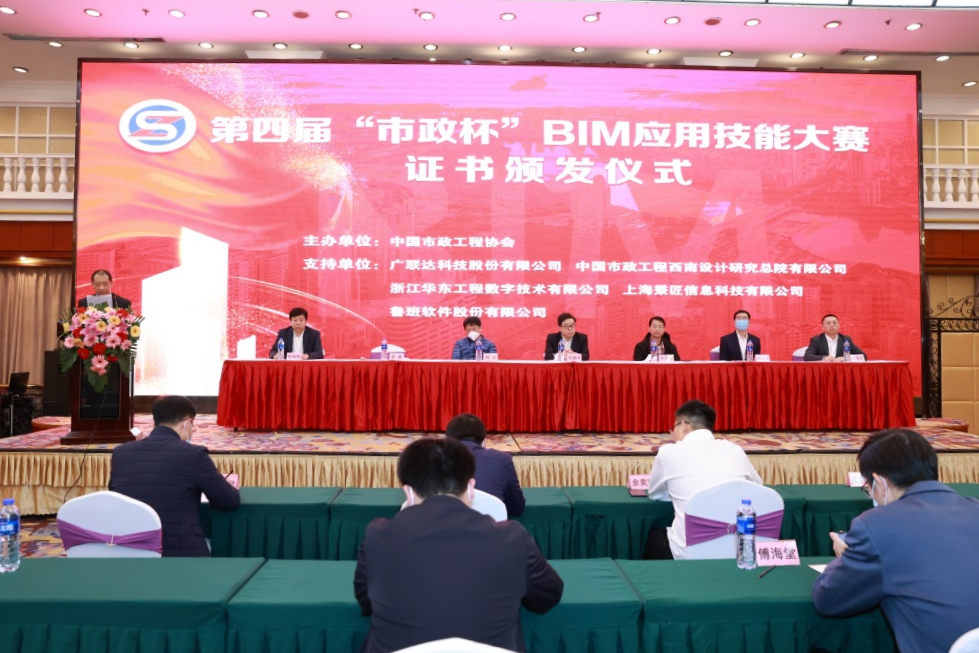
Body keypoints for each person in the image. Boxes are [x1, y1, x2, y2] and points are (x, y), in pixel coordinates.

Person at [354, 437, 563, 653]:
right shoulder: (512, 538)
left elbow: (366, 603)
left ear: (408, 492)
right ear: (471, 488)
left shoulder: (377, 537)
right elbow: (548, 596)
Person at [812, 429, 979, 653]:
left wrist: (843, 559)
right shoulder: (975, 507)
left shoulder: (877, 525)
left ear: (879, 482)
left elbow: (829, 600)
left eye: (868, 487)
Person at [108, 395, 240, 557]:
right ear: (187, 423)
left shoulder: (121, 453)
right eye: (193, 425)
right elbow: (229, 501)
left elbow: (115, 492)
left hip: (130, 550)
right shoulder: (194, 455)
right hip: (180, 553)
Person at [644, 399, 762, 560]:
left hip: (687, 553)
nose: (672, 433)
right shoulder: (735, 450)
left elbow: (654, 493)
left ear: (683, 426)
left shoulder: (668, 453)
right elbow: (758, 488)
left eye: (673, 428)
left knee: (653, 538)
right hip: (738, 551)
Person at [445, 413, 525, 517]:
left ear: (448, 439)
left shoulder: (433, 458)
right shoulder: (502, 460)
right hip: (490, 525)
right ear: (484, 441)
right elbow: (517, 507)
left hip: (445, 525)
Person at [803, 314, 868, 361]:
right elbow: (807, 356)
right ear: (822, 327)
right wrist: (824, 358)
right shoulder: (817, 340)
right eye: (828, 323)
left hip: (841, 370)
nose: (832, 325)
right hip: (824, 370)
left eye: (834, 323)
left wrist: (846, 358)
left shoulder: (846, 339)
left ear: (839, 326)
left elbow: (863, 356)